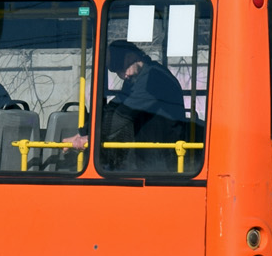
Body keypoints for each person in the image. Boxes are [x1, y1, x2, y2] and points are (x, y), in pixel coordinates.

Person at [67, 40, 186, 170]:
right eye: (117, 72)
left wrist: (92, 137)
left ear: (131, 56)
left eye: (122, 68)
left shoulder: (153, 78)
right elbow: (114, 107)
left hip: (162, 154)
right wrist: (82, 132)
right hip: (149, 150)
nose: (124, 75)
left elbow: (122, 116)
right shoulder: (138, 76)